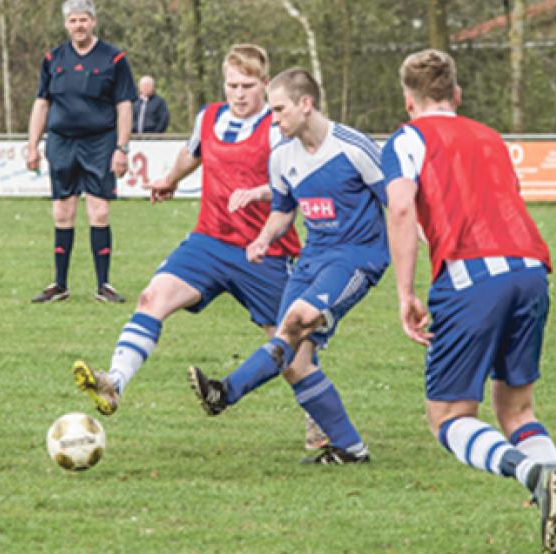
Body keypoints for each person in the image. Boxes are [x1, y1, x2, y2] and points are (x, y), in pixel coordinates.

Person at [72, 44, 330, 448]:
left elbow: (298, 183)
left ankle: (322, 425)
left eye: (248, 86)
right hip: (208, 242)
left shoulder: (279, 128)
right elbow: (192, 153)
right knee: (151, 298)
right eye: (232, 85)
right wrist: (170, 179)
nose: (239, 94)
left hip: (263, 251)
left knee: (291, 350)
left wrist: (258, 193)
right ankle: (114, 382)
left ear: (265, 85)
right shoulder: (209, 117)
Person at [382, 50, 556, 552]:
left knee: (448, 417)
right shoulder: (491, 138)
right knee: (518, 411)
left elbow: (401, 208)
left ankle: (531, 473)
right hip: (530, 270)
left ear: (408, 101)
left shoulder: (407, 139)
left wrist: (405, 292)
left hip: (472, 276)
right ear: (457, 95)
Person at [187, 68, 389, 465]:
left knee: (297, 320)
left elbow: (399, 201)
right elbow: (283, 210)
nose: (273, 118)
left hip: (355, 258)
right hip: (312, 259)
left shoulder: (353, 147)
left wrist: (433, 244)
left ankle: (225, 392)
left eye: (279, 109)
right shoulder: (282, 155)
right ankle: (351, 449)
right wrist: (263, 239)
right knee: (295, 364)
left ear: (305, 104)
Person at [27, 0, 135, 304]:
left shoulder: (114, 58)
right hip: (61, 142)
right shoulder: (53, 58)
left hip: (100, 143)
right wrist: (32, 144)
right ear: (66, 24)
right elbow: (42, 103)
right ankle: (59, 284)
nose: (79, 26)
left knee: (99, 211)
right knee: (62, 212)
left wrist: (122, 148)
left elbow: (124, 105)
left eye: (84, 20)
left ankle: (104, 285)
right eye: (73, 21)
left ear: (93, 22)